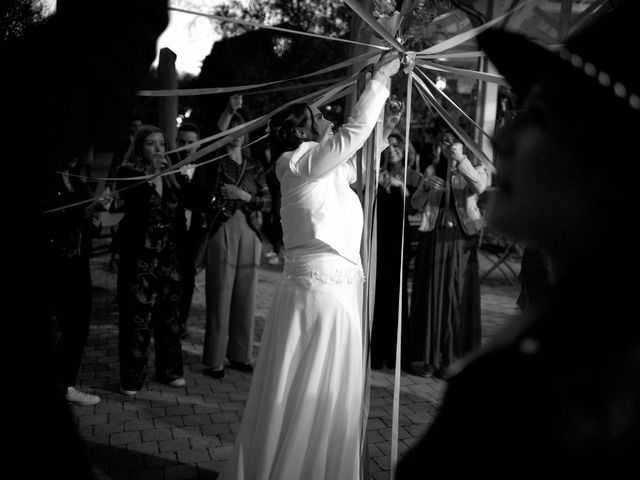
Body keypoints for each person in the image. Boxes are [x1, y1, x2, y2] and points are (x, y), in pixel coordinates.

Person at [396, 1, 640, 476]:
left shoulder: (543, 387)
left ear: (607, 169)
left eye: (540, 117)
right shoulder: (569, 338)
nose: (502, 136)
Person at [218, 49, 402, 480]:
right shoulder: (296, 162)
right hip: (317, 294)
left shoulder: (320, 166)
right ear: (300, 130)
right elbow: (352, 134)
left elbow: (355, 162)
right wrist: (381, 79)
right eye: (318, 116)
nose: (326, 119)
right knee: (306, 386)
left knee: (330, 389)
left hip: (339, 291)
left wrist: (385, 123)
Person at [191, 97, 272, 379]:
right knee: (219, 295)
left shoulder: (254, 165)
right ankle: (214, 360)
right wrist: (227, 111)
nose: (235, 136)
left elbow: (268, 201)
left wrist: (244, 196)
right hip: (221, 228)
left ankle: (241, 354)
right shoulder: (214, 160)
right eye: (231, 130)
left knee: (246, 297)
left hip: (250, 230)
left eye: (240, 130)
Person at [408, 127, 488, 378]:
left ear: (465, 146)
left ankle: (452, 358)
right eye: (445, 143)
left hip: (461, 238)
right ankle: (429, 358)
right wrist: (424, 189)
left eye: (454, 143)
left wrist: (461, 160)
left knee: (456, 295)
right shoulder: (432, 170)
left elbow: (480, 187)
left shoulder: (476, 168)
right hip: (434, 235)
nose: (448, 147)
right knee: (433, 293)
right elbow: (415, 205)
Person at [115, 125, 187, 395]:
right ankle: (132, 378)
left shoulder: (170, 175)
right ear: (140, 148)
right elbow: (133, 197)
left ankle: (170, 371)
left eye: (161, 144)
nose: (158, 149)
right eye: (151, 144)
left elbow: (184, 202)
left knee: (169, 318)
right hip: (140, 259)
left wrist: (173, 175)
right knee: (137, 319)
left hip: (168, 257)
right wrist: (156, 173)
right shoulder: (128, 173)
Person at [43, 156, 109, 406]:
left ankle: (63, 383)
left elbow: (87, 226)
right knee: (65, 325)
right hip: (53, 263)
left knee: (78, 327)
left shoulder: (77, 181)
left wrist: (95, 217)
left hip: (78, 262)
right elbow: (50, 221)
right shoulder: (47, 180)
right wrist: (86, 212)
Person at [371, 130, 422, 370]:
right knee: (377, 292)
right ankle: (375, 351)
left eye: (397, 145)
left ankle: (395, 353)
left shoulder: (413, 177)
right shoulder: (375, 175)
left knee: (396, 293)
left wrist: (401, 187)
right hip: (377, 241)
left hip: (400, 242)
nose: (392, 149)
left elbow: (415, 209)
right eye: (388, 145)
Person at [172, 121, 203, 331]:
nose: (185, 145)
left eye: (190, 142)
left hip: (194, 231)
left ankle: (181, 320)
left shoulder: (205, 167)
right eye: (181, 141)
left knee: (188, 277)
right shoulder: (168, 166)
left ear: (198, 144)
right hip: (171, 229)